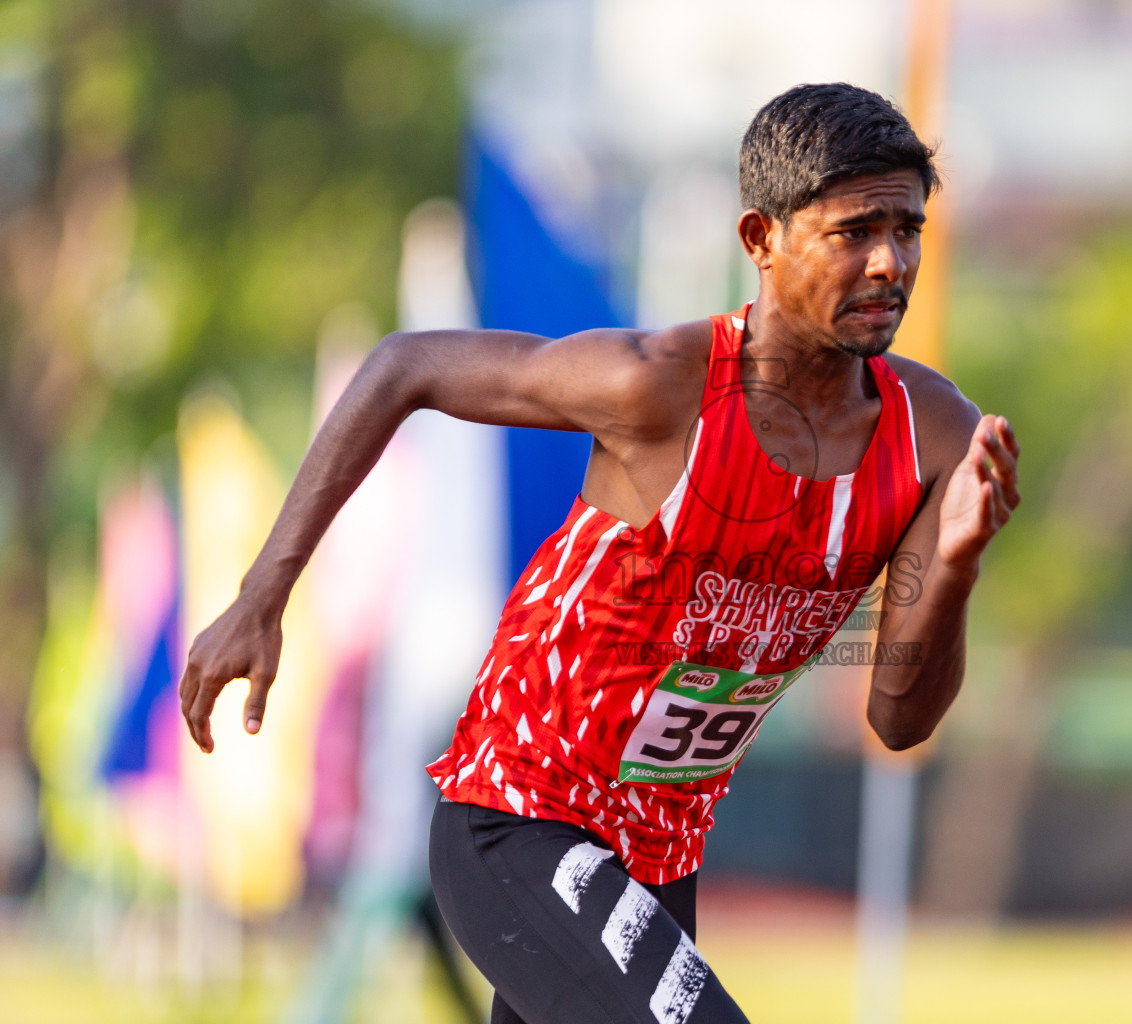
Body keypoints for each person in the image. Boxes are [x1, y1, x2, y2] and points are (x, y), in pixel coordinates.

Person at [179, 82, 1020, 1024]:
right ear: (761, 239)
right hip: (522, 816)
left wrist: (953, 564)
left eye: (907, 230)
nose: (889, 262)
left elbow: (899, 720)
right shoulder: (658, 386)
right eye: (854, 231)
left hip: (661, 855)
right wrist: (263, 592)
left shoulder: (933, 435)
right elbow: (405, 365)